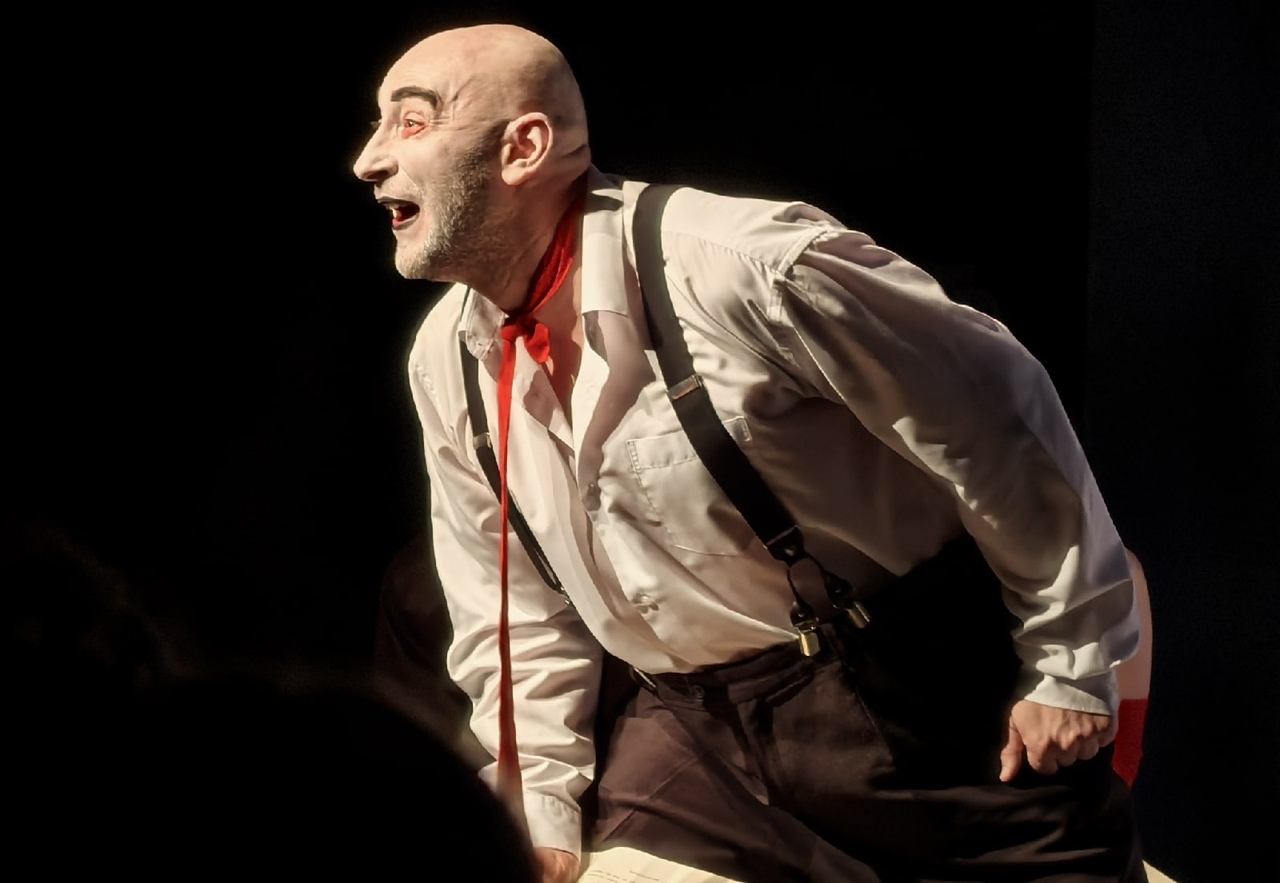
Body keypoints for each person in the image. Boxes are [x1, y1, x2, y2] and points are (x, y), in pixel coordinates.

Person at [352, 24, 1146, 883]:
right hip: (690, 731)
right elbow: (506, 599)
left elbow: (998, 417)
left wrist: (1072, 660)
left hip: (907, 702)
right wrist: (538, 797)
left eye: (412, 122)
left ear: (525, 147)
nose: (369, 160)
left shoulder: (741, 266)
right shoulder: (449, 355)